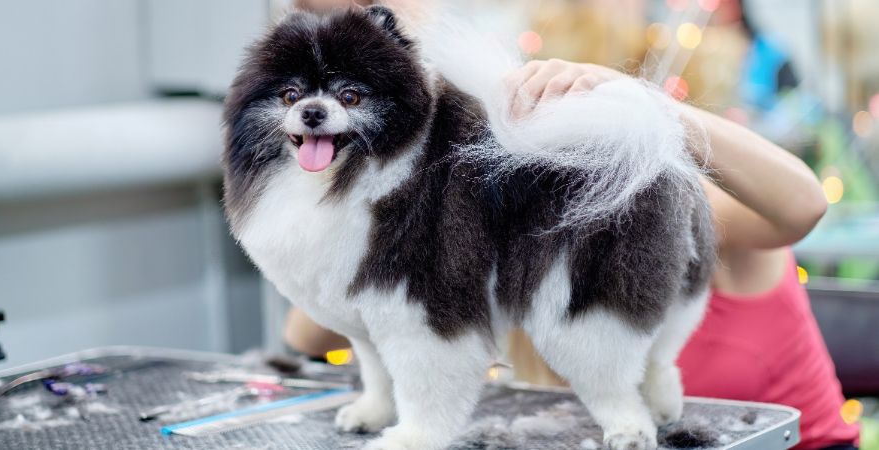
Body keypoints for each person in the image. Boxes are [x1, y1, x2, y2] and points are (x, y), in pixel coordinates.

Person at [275, 9, 860, 450]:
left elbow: (803, 206)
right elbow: (317, 326)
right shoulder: (467, 220)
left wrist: (638, 106)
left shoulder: (663, 201)